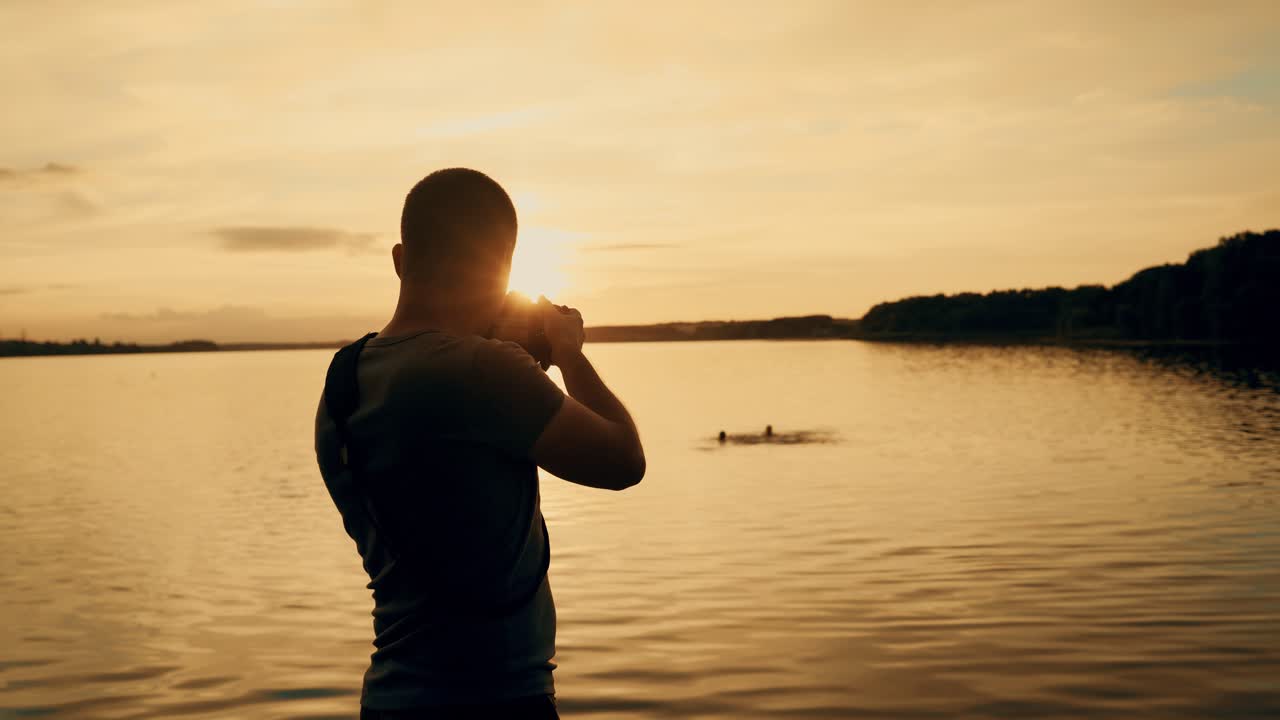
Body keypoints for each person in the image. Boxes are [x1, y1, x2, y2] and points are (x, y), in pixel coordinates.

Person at [314, 168, 645, 719]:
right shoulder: (481, 370)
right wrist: (568, 353)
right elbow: (623, 461)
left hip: (392, 698)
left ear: (400, 259)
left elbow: (445, 467)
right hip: (496, 700)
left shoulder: (343, 381)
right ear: (503, 267)